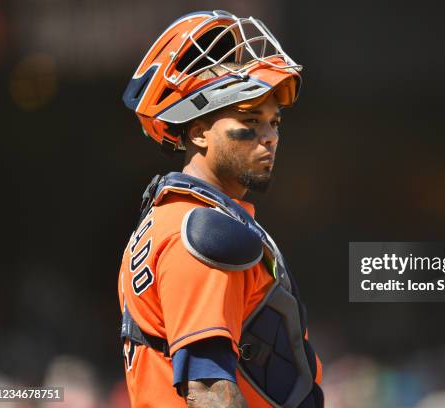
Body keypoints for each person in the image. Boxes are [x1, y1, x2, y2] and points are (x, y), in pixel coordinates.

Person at [117, 10, 324, 408]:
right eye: (248, 121)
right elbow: (209, 388)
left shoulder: (173, 216)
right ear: (198, 132)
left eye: (274, 122)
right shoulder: (204, 232)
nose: (269, 138)